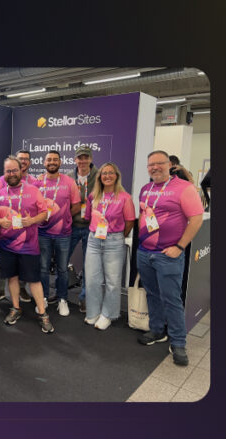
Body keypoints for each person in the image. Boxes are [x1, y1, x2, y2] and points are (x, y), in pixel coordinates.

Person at [136, 150, 204, 365]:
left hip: (168, 254)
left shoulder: (184, 188)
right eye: (151, 164)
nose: (155, 167)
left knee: (171, 299)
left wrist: (180, 246)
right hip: (144, 252)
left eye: (160, 163)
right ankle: (157, 330)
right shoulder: (145, 189)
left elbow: (196, 219)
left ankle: (178, 342)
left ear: (170, 165)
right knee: (152, 294)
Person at [0, 156, 54, 333]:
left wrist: (32, 220)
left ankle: (42, 313)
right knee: (12, 278)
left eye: (14, 170)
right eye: (8, 171)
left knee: (34, 280)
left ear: (21, 171)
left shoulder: (33, 190)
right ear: (4, 173)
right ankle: (15, 308)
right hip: (6, 245)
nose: (11, 174)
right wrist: (0, 222)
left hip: (29, 246)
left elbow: (44, 213)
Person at [83, 162, 135, 330]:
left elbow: (130, 221)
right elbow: (88, 217)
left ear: (116, 176)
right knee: (92, 280)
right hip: (94, 240)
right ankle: (93, 312)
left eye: (111, 173)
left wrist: (118, 236)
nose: (107, 176)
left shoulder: (125, 197)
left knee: (112, 281)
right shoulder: (93, 196)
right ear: (99, 177)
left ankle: (108, 314)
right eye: (104, 173)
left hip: (114, 241)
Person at [33, 150, 80, 315]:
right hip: (42, 233)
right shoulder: (37, 182)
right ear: (44, 163)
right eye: (49, 160)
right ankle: (44, 297)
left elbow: (76, 205)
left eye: (55, 159)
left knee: (62, 268)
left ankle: (62, 299)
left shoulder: (69, 182)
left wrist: (63, 217)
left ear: (60, 162)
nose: (52, 162)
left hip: (63, 234)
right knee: (43, 268)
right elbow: (32, 205)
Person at [69, 146, 98, 314]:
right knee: (62, 260)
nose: (83, 161)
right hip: (72, 225)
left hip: (91, 227)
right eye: (80, 158)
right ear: (75, 159)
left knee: (89, 264)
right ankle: (60, 293)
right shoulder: (68, 177)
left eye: (86, 157)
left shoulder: (100, 176)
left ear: (91, 159)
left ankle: (85, 297)